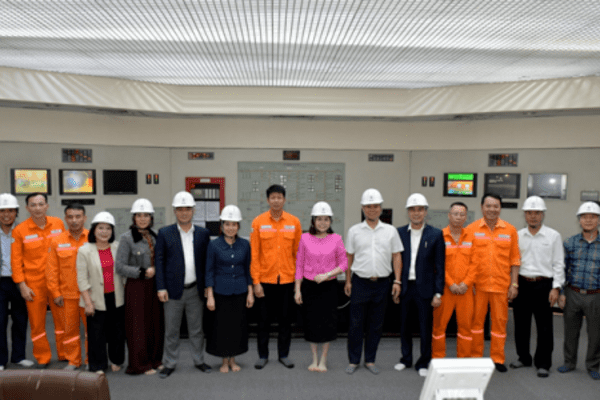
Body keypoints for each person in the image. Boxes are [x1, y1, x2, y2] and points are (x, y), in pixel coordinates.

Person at [345, 188, 403, 375]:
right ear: (362, 208)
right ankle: (354, 360)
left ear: (381, 208)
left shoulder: (390, 231)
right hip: (360, 283)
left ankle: (370, 360)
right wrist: (347, 281)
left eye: (375, 206)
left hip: (382, 284)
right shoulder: (354, 231)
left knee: (376, 325)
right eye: (368, 206)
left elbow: (396, 256)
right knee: (355, 324)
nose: (372, 209)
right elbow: (349, 257)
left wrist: (397, 281)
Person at [155, 191, 211, 378]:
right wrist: (161, 287)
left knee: (197, 330)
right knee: (171, 330)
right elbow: (159, 262)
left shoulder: (203, 234)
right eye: (180, 209)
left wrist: (207, 287)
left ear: (193, 211)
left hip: (195, 290)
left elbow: (206, 263)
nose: (184, 213)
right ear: (175, 211)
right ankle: (169, 363)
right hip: (172, 292)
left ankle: (199, 360)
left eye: (188, 209)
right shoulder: (165, 233)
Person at [510, 196, 564, 378]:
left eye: (537, 213)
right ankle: (523, 357)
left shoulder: (553, 236)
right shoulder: (517, 235)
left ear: (543, 214)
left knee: (545, 327)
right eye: (529, 213)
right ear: (525, 215)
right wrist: (513, 284)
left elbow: (558, 264)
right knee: (521, 325)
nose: (533, 216)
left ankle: (543, 363)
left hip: (544, 285)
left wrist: (556, 287)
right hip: (522, 285)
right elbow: (512, 263)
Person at [250, 184, 302, 370]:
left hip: (287, 280)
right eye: (273, 197)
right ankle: (263, 355)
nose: (276, 200)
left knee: (285, 321)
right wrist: (256, 282)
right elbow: (255, 255)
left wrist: (297, 283)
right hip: (265, 281)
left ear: (284, 200)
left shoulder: (294, 222)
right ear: (268, 200)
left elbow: (298, 254)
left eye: (279, 197)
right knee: (263, 321)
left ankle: (284, 355)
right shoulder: (258, 222)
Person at [11, 192, 66, 367]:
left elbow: (66, 250)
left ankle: (64, 353)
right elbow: (16, 261)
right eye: (33, 205)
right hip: (34, 284)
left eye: (41, 204)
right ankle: (43, 357)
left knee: (62, 320)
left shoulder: (58, 224)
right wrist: (22, 286)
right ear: (27, 208)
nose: (37, 208)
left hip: (57, 282)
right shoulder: (19, 231)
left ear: (47, 206)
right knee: (37, 324)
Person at [468, 193, 520, 372]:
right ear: (482, 207)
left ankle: (497, 358)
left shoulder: (510, 230)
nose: (492, 209)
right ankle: (475, 357)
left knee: (499, 324)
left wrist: (514, 284)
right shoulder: (471, 229)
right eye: (488, 206)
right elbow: (466, 259)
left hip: (501, 286)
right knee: (476, 324)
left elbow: (515, 260)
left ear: (500, 208)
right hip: (478, 287)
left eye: (495, 206)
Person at [294, 201, 347, 372]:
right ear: (313, 221)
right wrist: (297, 290)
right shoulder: (304, 238)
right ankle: (314, 359)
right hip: (309, 287)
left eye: (326, 219)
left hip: (328, 287)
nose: (322, 223)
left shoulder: (336, 238)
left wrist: (327, 274)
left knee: (327, 324)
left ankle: (323, 359)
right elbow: (299, 265)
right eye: (319, 219)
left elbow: (344, 264)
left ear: (330, 221)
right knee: (311, 323)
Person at [395, 194, 445, 376]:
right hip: (405, 287)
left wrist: (438, 293)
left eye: (420, 209)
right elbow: (395, 261)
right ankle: (406, 359)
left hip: (425, 289)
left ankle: (424, 362)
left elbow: (440, 266)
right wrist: (396, 284)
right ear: (408, 212)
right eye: (412, 210)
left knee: (425, 328)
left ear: (425, 212)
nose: (416, 213)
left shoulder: (436, 234)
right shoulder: (399, 233)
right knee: (404, 327)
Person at [115, 199, 164, 375]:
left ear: (151, 218)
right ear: (134, 218)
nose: (142, 219)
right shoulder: (126, 238)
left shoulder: (155, 236)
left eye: (146, 215)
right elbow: (120, 266)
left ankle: (155, 360)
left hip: (154, 286)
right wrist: (142, 272)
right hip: (136, 287)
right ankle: (139, 365)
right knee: (138, 327)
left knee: (155, 325)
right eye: (139, 215)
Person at [205, 205, 254, 373]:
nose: (230, 228)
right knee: (222, 327)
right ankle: (224, 361)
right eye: (227, 224)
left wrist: (250, 293)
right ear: (222, 225)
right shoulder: (214, 245)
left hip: (240, 292)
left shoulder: (245, 244)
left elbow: (248, 270)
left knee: (236, 328)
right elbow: (209, 271)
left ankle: (233, 360)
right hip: (220, 293)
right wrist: (210, 295)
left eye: (234, 224)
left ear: (238, 226)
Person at [76, 211, 125, 374]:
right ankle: (98, 365)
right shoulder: (84, 250)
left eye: (108, 228)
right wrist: (88, 302)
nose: (104, 232)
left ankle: (117, 360)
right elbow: (81, 279)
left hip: (116, 297)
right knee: (96, 334)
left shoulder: (118, 247)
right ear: (94, 230)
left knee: (117, 332)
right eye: (100, 228)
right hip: (95, 298)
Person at [557, 201, 600, 380]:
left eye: (593, 217)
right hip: (572, 293)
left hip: (595, 296)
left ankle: (593, 365)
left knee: (596, 334)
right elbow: (562, 269)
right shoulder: (570, 242)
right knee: (570, 332)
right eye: (584, 217)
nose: (588, 220)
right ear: (579, 220)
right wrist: (561, 293)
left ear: (598, 220)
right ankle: (569, 362)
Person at [47, 203, 89, 370]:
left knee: (93, 330)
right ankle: (73, 360)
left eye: (78, 216)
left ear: (84, 218)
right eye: (70, 217)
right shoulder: (57, 241)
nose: (74, 220)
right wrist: (55, 292)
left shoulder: (93, 238)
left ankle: (91, 360)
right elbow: (51, 270)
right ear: (65, 219)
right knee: (69, 331)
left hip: (89, 295)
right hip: (67, 296)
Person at [431, 202, 476, 360]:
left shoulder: (472, 237)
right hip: (445, 290)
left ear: (466, 217)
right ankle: (438, 358)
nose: (458, 217)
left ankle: (464, 359)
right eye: (455, 214)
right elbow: (437, 264)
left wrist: (466, 283)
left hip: (466, 291)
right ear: (449, 215)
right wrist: (450, 283)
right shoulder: (439, 236)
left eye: (462, 214)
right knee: (439, 327)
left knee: (466, 328)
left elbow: (475, 263)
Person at [0, 193, 34, 370]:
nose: (6, 215)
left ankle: (18, 356)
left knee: (20, 320)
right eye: (2, 211)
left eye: (10, 211)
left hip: (20, 281)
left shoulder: (23, 231)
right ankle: (0, 360)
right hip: (0, 282)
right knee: (0, 322)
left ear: (16, 212)